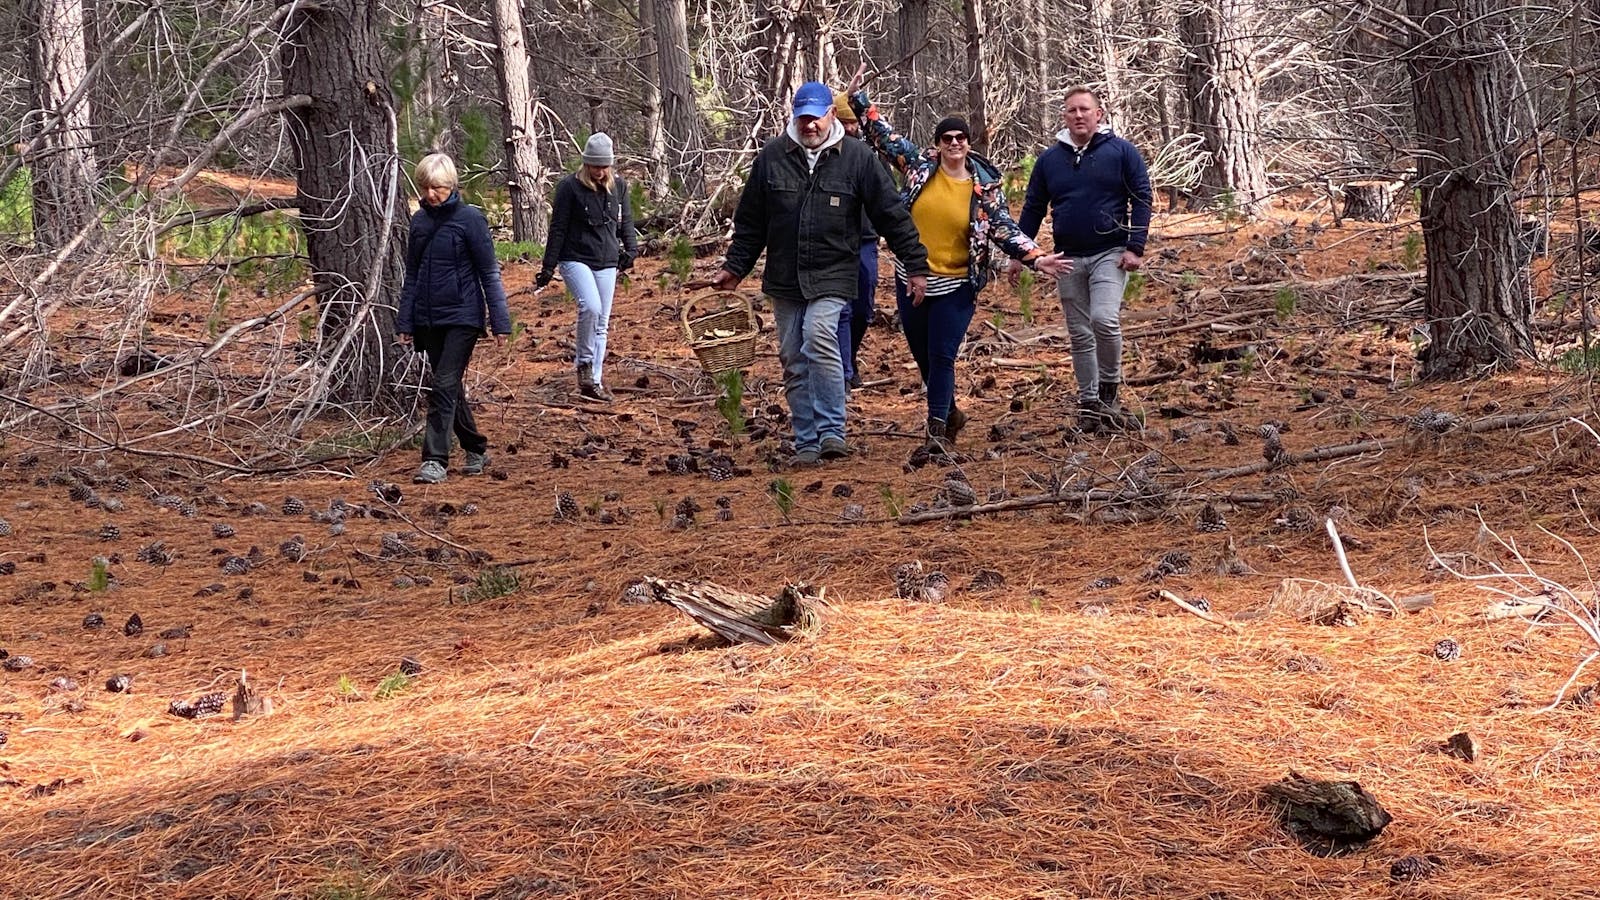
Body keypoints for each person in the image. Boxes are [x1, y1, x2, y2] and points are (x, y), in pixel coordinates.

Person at [712, 82, 930, 467]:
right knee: (793, 355)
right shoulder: (773, 158)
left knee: (819, 336)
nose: (810, 125)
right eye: (803, 118)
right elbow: (751, 224)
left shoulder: (858, 158)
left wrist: (915, 265)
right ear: (794, 116)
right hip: (785, 275)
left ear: (831, 113)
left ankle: (832, 430)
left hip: (834, 270)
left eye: (817, 116)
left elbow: (891, 215)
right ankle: (806, 439)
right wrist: (734, 268)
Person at [846, 77, 1068, 451]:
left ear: (968, 143)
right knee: (923, 357)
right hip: (912, 277)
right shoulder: (918, 166)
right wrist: (857, 99)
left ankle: (935, 434)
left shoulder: (984, 188)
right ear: (937, 143)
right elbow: (882, 135)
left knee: (942, 354)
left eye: (959, 138)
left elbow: (1004, 228)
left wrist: (1036, 257)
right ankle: (950, 412)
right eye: (946, 138)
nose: (953, 144)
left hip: (957, 284)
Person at [1017, 87, 1153, 433]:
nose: (1078, 115)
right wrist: (1020, 253)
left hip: (1111, 252)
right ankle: (1089, 404)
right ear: (1064, 117)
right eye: (1071, 111)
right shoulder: (1050, 160)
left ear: (1099, 113)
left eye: (1084, 109)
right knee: (1079, 333)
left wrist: (1135, 246)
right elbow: (1034, 207)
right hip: (1067, 257)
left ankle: (1109, 392)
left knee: (1104, 319)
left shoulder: (1122, 152)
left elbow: (1141, 198)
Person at [396, 152, 511, 485]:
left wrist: (500, 322)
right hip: (428, 319)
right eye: (425, 187)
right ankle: (476, 448)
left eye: (437, 187)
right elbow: (413, 274)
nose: (431, 194)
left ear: (451, 185)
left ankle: (434, 460)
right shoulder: (419, 222)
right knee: (450, 387)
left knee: (443, 384)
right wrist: (406, 321)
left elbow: (489, 272)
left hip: (463, 316)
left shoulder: (470, 220)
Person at [536, 133, 640, 401]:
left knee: (602, 322)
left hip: (606, 258)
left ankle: (593, 381)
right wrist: (548, 267)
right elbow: (557, 228)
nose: (600, 171)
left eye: (604, 166)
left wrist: (631, 249)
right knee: (590, 306)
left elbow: (625, 221)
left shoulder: (619, 186)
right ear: (586, 164)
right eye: (595, 166)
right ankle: (583, 364)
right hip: (575, 257)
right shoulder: (569, 187)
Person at [831, 92, 882, 391]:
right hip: (836, 243)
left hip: (865, 240)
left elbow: (887, 199)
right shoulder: (825, 154)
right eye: (844, 121)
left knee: (863, 308)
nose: (850, 128)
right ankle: (844, 373)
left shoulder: (868, 155)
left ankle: (849, 355)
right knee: (841, 309)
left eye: (854, 122)